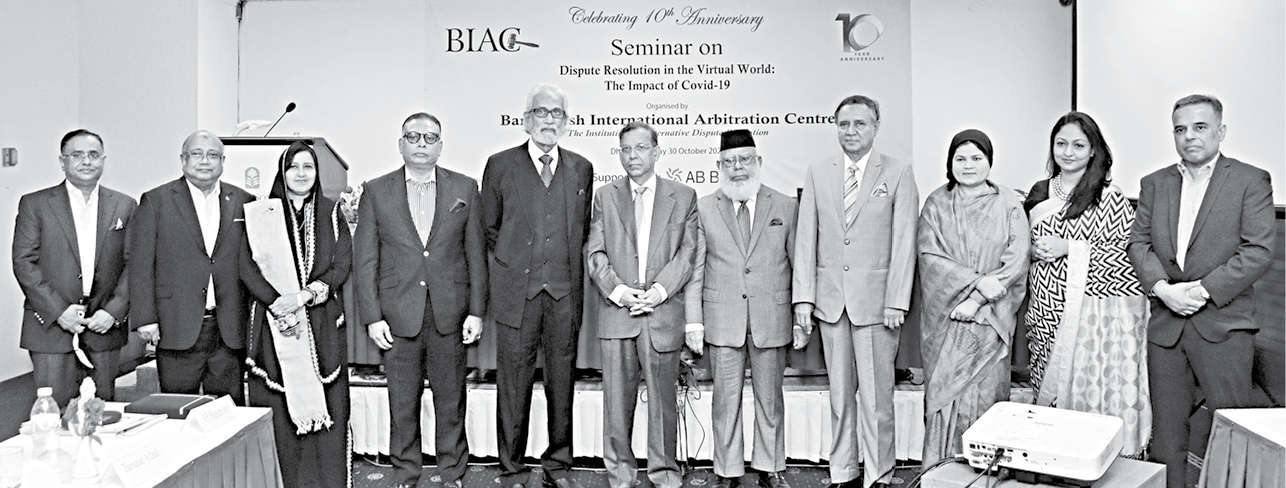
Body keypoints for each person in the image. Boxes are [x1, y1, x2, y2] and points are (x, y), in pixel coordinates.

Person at [1128, 95, 1274, 488]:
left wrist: (1203, 291)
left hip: (1224, 327)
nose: (1189, 136)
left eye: (1200, 127)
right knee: (1167, 438)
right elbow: (1138, 244)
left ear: (1221, 131)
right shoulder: (1154, 183)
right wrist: (1163, 290)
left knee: (1234, 434)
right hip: (1166, 327)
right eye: (1180, 129)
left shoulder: (1250, 180)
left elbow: (1258, 250)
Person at [353, 113, 485, 488]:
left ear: (441, 146)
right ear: (401, 144)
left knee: (451, 400)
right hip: (396, 316)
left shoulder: (465, 187)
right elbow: (366, 260)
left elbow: (476, 254)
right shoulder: (376, 191)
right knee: (402, 401)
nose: (421, 143)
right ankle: (405, 472)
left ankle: (452, 471)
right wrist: (372, 316)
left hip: (450, 313)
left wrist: (476, 311)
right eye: (413, 137)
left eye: (430, 137)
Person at [793, 95, 918, 488]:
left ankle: (879, 474)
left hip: (878, 306)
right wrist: (803, 298)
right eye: (844, 124)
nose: (851, 131)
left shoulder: (898, 172)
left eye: (860, 123)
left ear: (876, 126)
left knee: (877, 399)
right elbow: (806, 239)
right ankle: (843, 471)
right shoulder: (818, 171)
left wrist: (897, 299)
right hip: (831, 304)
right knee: (839, 396)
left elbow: (905, 242)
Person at [481, 84, 594, 488]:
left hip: (564, 295)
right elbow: (490, 228)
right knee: (513, 383)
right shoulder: (500, 165)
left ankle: (558, 464)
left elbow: (581, 230)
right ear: (526, 119)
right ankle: (511, 467)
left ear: (567, 121)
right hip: (518, 295)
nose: (549, 120)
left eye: (556, 113)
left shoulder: (582, 168)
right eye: (541, 112)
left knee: (562, 382)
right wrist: (517, 265)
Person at [1022, 112, 1151, 457]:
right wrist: (1032, 250)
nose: (1068, 152)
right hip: (1045, 305)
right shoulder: (1039, 192)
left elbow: (1126, 257)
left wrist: (1070, 248)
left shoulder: (1109, 197)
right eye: (1061, 144)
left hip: (1092, 318)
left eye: (1078, 145)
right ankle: (1049, 458)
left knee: (1085, 388)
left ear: (1093, 150)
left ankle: (1089, 459)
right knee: (1047, 386)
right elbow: (1020, 245)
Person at [684, 129, 801, 488]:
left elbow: (799, 266)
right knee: (725, 401)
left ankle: (770, 467)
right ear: (719, 166)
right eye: (729, 162)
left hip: (772, 318)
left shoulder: (785, 206)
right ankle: (727, 470)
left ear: (758, 162)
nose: (737, 168)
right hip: (723, 319)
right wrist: (693, 322)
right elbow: (695, 269)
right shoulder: (704, 207)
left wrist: (801, 316)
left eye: (745, 160)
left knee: (770, 400)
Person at [586, 121, 698, 488]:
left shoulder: (683, 196)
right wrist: (619, 291)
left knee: (663, 404)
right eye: (626, 150)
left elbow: (687, 253)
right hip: (618, 313)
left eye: (640, 148)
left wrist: (660, 291)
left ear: (656, 152)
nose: (632, 156)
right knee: (616, 407)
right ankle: (621, 476)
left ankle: (664, 474)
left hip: (661, 313)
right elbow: (595, 252)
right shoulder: (605, 196)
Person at [240, 141, 351, 488]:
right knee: (279, 415)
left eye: (308, 167)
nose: (301, 174)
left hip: (321, 325)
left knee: (329, 413)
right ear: (282, 171)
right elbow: (246, 266)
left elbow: (342, 263)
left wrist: (304, 296)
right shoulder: (261, 214)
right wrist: (276, 302)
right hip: (274, 327)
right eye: (293, 167)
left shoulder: (332, 212)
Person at [917, 129, 1029, 465]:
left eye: (976, 158)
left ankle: (984, 473)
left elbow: (1017, 259)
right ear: (950, 163)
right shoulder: (937, 204)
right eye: (961, 158)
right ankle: (939, 470)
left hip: (990, 320)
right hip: (947, 318)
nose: (968, 165)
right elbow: (929, 257)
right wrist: (977, 282)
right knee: (943, 395)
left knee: (987, 395)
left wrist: (978, 300)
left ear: (989, 162)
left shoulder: (1008, 203)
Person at [13, 129, 136, 406]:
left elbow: (134, 264)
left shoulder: (125, 205)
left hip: (103, 326)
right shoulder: (36, 204)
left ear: (103, 160)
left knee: (101, 412)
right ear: (62, 161)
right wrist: (59, 312)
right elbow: (24, 261)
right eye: (77, 155)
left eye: (93, 155)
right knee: (53, 412)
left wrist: (113, 311)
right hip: (51, 328)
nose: (86, 161)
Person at [130, 129, 253, 404]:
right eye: (197, 154)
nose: (205, 161)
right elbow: (140, 264)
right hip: (176, 325)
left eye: (213, 155)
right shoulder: (156, 201)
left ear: (223, 161)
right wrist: (145, 318)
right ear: (183, 160)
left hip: (229, 329)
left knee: (228, 411)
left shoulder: (243, 201)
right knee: (177, 408)